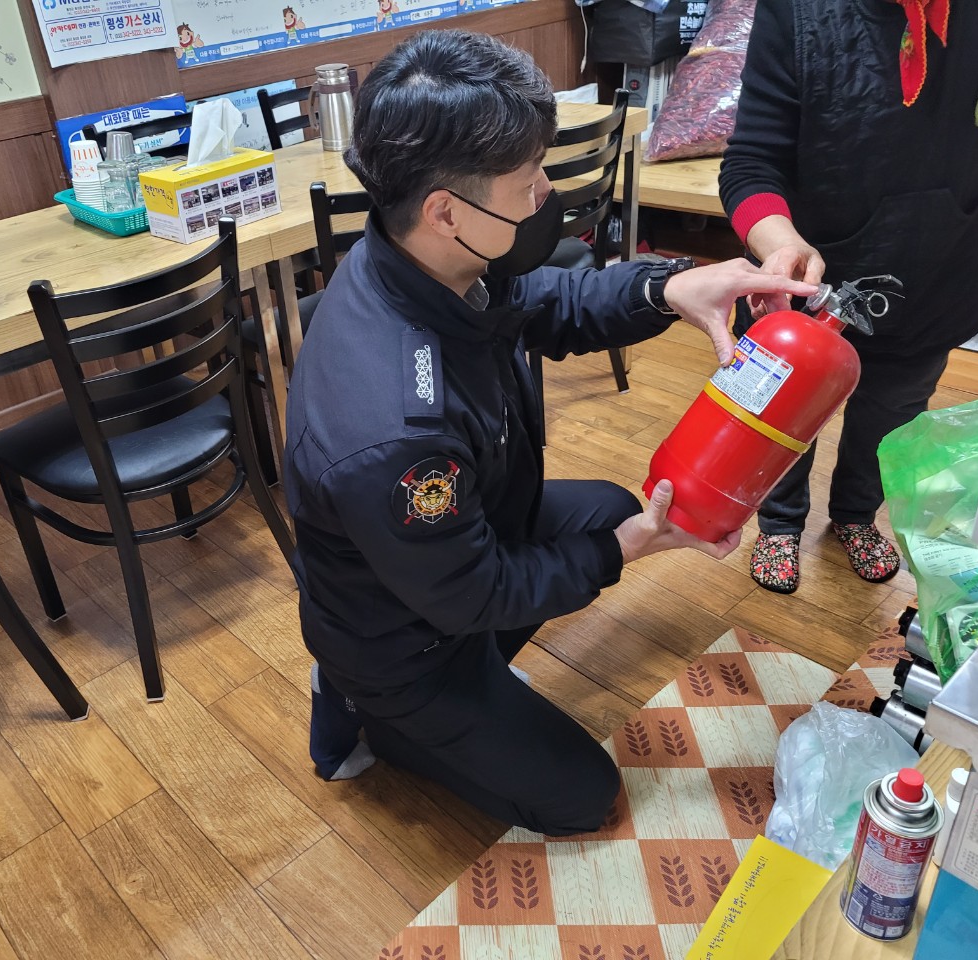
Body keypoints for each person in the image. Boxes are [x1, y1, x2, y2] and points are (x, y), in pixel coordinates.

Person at [283, 29, 816, 836]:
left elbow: (549, 303)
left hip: (450, 556)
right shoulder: (395, 437)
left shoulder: (426, 258)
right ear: (445, 210)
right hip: (405, 645)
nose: (542, 193)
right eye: (527, 177)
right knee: (581, 797)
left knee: (606, 511)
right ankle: (376, 714)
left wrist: (672, 286)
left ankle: (464, 694)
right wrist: (628, 550)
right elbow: (477, 593)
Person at [719, 0, 978, 594]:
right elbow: (750, 161)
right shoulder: (795, 10)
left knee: (892, 415)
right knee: (783, 410)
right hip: (810, 274)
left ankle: (855, 515)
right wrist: (779, 242)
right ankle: (779, 523)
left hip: (940, 266)